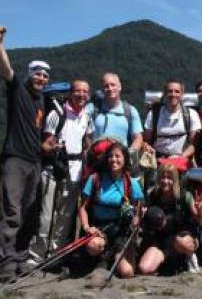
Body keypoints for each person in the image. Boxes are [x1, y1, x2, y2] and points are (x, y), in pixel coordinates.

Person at [0, 26, 50, 280]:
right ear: (29, 75)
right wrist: (0, 44)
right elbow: (6, 70)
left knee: (30, 214)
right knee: (12, 212)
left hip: (35, 161)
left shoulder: (42, 100)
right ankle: (6, 264)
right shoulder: (18, 88)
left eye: (45, 76)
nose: (41, 78)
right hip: (15, 159)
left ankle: (20, 258)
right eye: (38, 74)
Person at [29, 80, 93, 264]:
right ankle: (36, 257)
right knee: (46, 214)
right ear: (70, 93)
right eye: (77, 91)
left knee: (65, 217)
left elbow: (87, 141)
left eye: (84, 92)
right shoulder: (56, 114)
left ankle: (55, 257)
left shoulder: (87, 116)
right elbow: (47, 142)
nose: (81, 95)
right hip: (54, 169)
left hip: (75, 171)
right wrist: (54, 148)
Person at [78, 141, 143, 283]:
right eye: (111, 156)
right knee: (94, 245)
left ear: (125, 159)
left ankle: (111, 258)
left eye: (118, 156)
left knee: (127, 272)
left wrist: (136, 220)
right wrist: (87, 227)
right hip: (100, 228)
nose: (114, 160)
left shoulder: (132, 183)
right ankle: (101, 259)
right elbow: (82, 207)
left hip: (122, 231)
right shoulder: (95, 179)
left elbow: (138, 211)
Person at [138, 163, 202, 275]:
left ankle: (189, 256)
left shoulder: (185, 196)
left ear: (175, 179)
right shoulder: (153, 196)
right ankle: (169, 258)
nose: (165, 181)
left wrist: (199, 211)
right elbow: (144, 225)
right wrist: (142, 216)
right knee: (145, 268)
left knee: (182, 242)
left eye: (169, 178)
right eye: (163, 177)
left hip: (183, 237)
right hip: (162, 240)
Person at [144, 79, 201, 162]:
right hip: (157, 159)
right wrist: (148, 149)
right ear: (165, 94)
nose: (173, 94)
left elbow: (193, 145)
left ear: (182, 94)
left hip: (182, 159)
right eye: (170, 91)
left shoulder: (191, 114)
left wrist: (180, 158)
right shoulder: (153, 114)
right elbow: (146, 141)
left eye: (177, 91)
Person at [93, 72, 143, 151]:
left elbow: (137, 138)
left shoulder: (130, 111)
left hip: (119, 160)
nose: (110, 88)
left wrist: (129, 155)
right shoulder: (93, 109)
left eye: (113, 85)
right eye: (106, 86)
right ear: (102, 89)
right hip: (97, 159)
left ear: (119, 87)